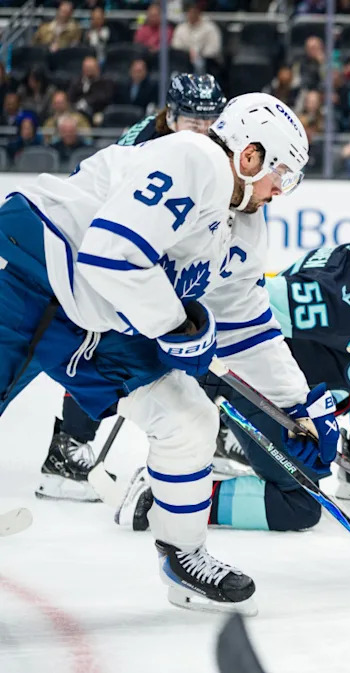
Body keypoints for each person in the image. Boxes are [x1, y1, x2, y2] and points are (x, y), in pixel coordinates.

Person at [1, 92, 331, 616]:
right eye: (281, 175)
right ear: (250, 156)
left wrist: (300, 408)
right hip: (24, 271)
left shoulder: (243, 226)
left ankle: (184, 557)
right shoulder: (194, 158)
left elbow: (248, 325)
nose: (279, 191)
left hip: (96, 316)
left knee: (188, 419)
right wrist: (178, 326)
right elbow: (111, 254)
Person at [116, 204, 350, 530]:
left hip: (324, 379)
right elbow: (239, 307)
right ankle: (167, 498)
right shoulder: (323, 294)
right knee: (301, 506)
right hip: (268, 391)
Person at [36, 73, 228, 504]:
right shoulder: (146, 144)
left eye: (209, 121)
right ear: (171, 116)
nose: (203, 130)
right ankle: (67, 449)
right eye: (192, 121)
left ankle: (192, 445)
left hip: (137, 267)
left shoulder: (202, 158)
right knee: (99, 352)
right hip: (95, 268)